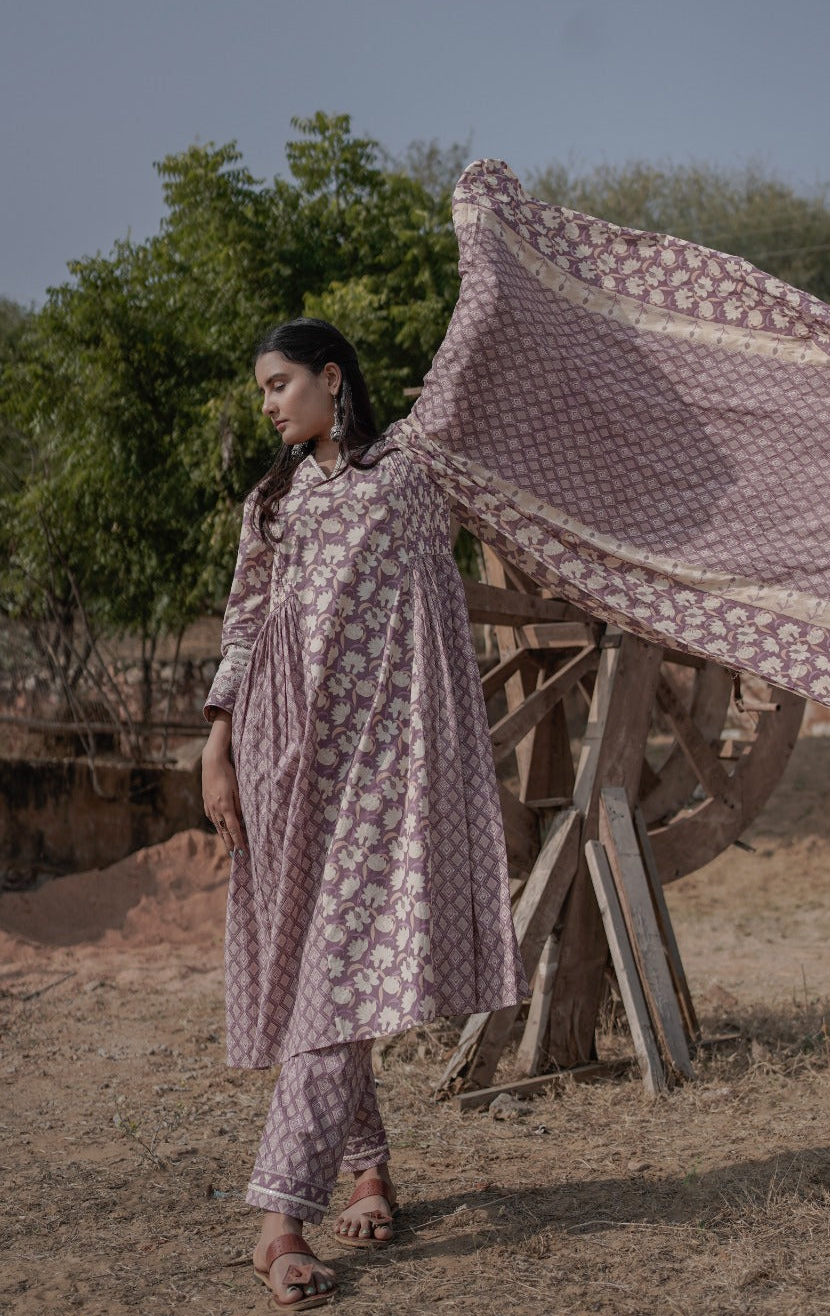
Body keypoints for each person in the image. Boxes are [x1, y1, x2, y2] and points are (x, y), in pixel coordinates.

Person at [201, 317, 525, 1310]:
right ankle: (369, 1164)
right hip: (285, 752)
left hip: (392, 763)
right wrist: (215, 746)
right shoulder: (277, 497)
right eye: (261, 388)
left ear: (330, 379)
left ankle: (279, 1219)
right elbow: (245, 615)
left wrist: (487, 244)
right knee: (319, 960)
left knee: (339, 961)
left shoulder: (416, 470)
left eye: (278, 383)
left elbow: (475, 369)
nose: (267, 403)